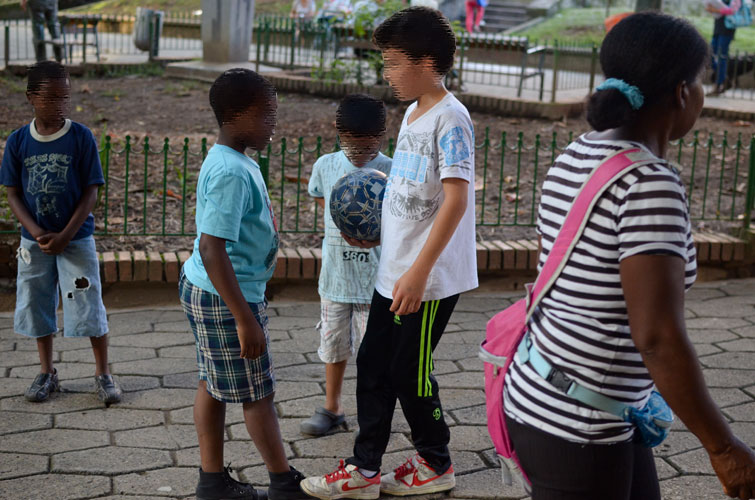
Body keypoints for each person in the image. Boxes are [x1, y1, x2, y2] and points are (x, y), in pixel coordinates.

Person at [502, 12, 755, 500]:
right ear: (682, 92)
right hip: (580, 427)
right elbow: (657, 338)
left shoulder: (578, 153)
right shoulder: (648, 184)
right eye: (700, 82)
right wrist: (723, 448)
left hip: (545, 392)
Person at [300, 7, 477, 499]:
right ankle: (364, 469)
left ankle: (436, 462)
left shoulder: (451, 118)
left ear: (426, 62)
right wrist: (382, 237)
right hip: (392, 271)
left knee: (408, 372)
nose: (387, 73)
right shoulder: (414, 113)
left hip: (428, 279)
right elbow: (409, 196)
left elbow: (456, 199)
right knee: (374, 364)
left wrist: (419, 272)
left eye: (394, 63)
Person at [178, 68, 309, 500]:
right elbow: (212, 247)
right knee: (257, 394)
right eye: (266, 115)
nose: (274, 123)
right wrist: (244, 318)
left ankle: (212, 481)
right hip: (225, 298)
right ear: (235, 116)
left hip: (215, 289)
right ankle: (282, 482)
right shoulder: (231, 172)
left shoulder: (233, 159)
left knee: (211, 382)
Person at [0, 61, 120, 405]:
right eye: (51, 98)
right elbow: (12, 193)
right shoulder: (19, 141)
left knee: (88, 302)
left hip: (76, 240)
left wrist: (66, 234)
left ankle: (103, 373)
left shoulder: (80, 137)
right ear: (30, 97)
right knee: (38, 302)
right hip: (34, 243)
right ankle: (46, 372)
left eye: (64, 97)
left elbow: (91, 192)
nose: (60, 105)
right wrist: (36, 231)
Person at [301, 94, 392, 437]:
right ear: (338, 133)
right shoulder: (325, 166)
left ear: (381, 135)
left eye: (367, 146)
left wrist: (377, 236)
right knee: (333, 345)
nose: (359, 154)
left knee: (375, 354)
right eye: (352, 144)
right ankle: (332, 408)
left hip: (377, 284)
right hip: (336, 279)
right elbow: (325, 202)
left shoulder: (392, 170)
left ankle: (375, 413)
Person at [706, 0, 742, 96]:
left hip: (727, 29)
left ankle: (718, 86)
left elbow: (733, 11)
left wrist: (715, 10)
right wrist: (711, 9)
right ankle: (724, 78)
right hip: (717, 28)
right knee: (709, 54)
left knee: (721, 56)